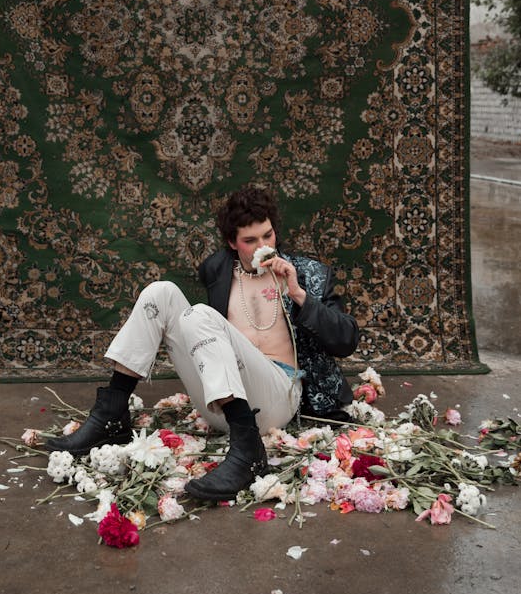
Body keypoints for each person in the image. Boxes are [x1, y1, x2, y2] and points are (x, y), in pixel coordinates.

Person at [46, 185, 360, 501]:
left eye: (267, 236)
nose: (262, 246)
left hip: (278, 398)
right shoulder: (219, 270)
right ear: (231, 244)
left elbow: (346, 340)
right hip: (224, 404)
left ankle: (250, 453)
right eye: (249, 241)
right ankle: (111, 415)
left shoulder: (305, 274)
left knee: (200, 314)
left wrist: (298, 295)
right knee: (161, 293)